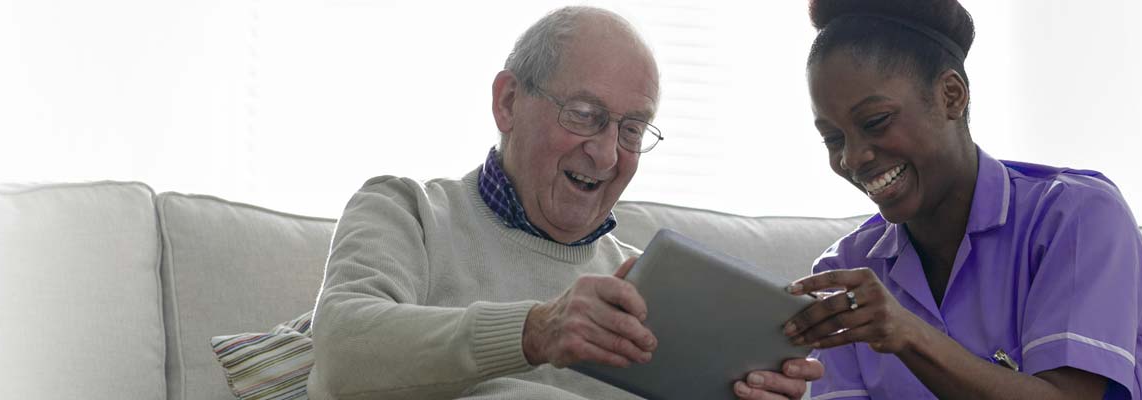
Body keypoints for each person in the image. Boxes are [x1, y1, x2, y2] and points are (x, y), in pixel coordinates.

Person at [309, 7, 820, 399]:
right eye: (583, 113)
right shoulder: (406, 210)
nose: (605, 153)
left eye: (631, 129)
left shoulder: (650, 288)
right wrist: (535, 331)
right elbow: (341, 354)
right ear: (508, 102)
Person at [777, 0, 1142, 399]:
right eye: (833, 138)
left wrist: (909, 335)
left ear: (951, 95)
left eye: (875, 122)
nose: (852, 157)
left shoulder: (1078, 217)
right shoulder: (847, 268)